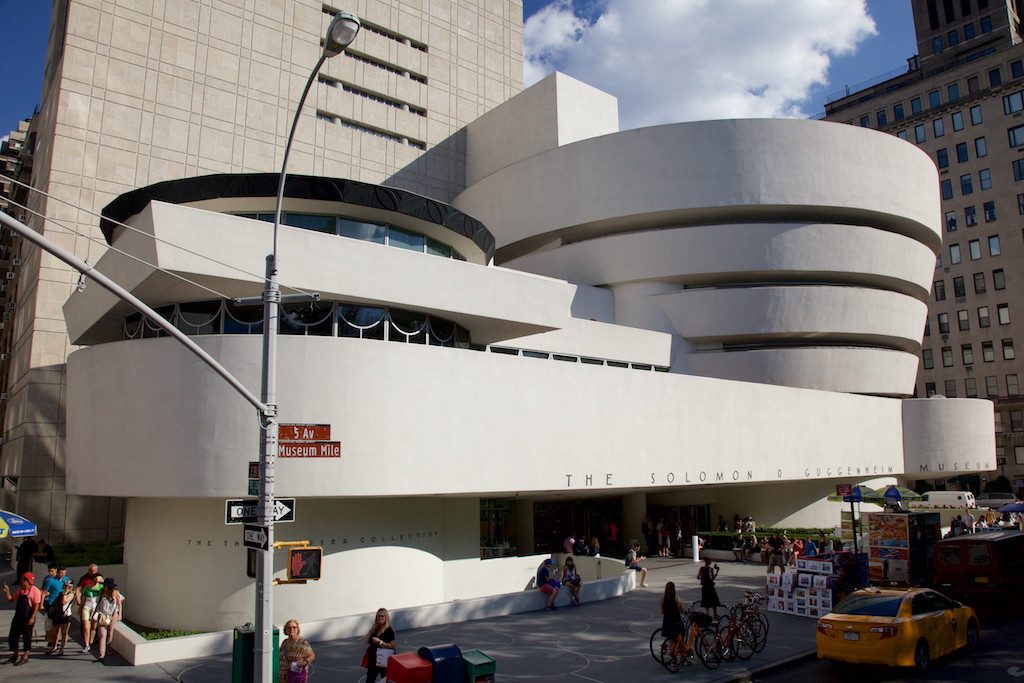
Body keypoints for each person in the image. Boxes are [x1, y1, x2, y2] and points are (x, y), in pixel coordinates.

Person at [4, 572, 41, 666]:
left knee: (26, 637)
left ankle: (25, 656)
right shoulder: (20, 590)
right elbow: (10, 599)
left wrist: (32, 618)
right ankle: (15, 655)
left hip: (28, 618)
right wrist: (7, 591)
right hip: (18, 617)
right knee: (13, 636)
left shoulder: (34, 591)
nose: (20, 581)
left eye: (22, 579)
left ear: (26, 581)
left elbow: (36, 605)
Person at [91, 578, 121, 662]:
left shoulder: (115, 593)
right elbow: (97, 603)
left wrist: (119, 614)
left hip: (112, 615)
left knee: (110, 632)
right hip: (102, 615)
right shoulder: (101, 594)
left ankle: (108, 648)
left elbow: (119, 604)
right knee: (102, 635)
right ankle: (101, 654)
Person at [363, 607, 395, 682]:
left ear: (386, 617)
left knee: (386, 679)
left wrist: (380, 642)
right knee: (369, 680)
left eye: (382, 616)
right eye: (378, 616)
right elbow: (366, 640)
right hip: (373, 660)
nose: (380, 618)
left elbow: (392, 646)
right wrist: (372, 628)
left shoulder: (389, 630)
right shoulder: (375, 629)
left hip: (384, 659)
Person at [77, 565, 103, 654]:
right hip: (87, 606)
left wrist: (101, 582)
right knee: (86, 626)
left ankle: (90, 641)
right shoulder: (87, 588)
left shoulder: (100, 588)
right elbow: (83, 598)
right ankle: (86, 644)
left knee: (93, 627)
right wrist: (80, 608)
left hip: (95, 607)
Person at [279, 618, 314, 682]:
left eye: (294, 627)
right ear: (285, 630)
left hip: (296, 676)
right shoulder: (284, 642)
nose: (291, 629)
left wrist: (303, 663)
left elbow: (312, 655)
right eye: (289, 627)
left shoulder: (302, 642)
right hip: (284, 677)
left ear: (297, 629)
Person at [660, 581, 687, 665]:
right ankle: (684, 658)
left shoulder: (662, 599)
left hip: (667, 622)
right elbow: (681, 610)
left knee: (671, 640)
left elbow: (662, 611)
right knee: (681, 639)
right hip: (676, 622)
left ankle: (673, 659)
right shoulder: (676, 599)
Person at [46, 581, 75, 655]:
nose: (66, 588)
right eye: (65, 586)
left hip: (66, 615)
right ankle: (54, 646)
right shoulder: (60, 593)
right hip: (58, 615)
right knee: (55, 632)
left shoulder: (71, 594)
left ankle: (61, 649)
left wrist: (65, 593)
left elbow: (64, 601)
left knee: (64, 633)